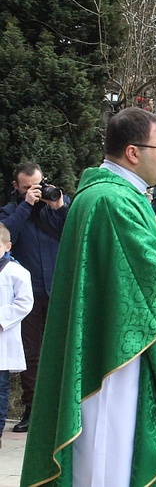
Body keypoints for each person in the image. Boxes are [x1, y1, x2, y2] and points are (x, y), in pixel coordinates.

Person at [21, 107, 156, 486]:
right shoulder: (113, 201)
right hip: (113, 359)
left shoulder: (115, 195)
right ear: (133, 152)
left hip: (113, 342)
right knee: (110, 456)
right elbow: (143, 277)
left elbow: (134, 269)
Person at [0, 162, 69, 433]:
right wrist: (26, 205)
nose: (35, 191)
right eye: (27, 187)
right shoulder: (11, 211)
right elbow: (5, 235)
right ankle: (32, 408)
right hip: (27, 293)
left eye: (38, 185)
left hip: (58, 288)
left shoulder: (56, 205)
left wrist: (60, 207)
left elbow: (76, 231)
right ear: (16, 187)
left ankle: (61, 407)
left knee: (62, 349)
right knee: (32, 354)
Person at [0, 223, 34, 449]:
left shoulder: (17, 272)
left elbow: (24, 303)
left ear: (7, 246)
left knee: (0, 389)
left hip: (3, 337)